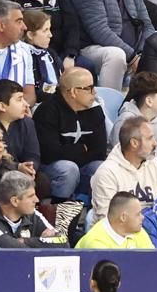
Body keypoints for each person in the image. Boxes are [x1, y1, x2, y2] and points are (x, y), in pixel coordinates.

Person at [33, 67, 107, 201]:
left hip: (83, 166)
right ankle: (59, 213)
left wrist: (71, 152)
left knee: (102, 168)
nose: (94, 92)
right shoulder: (46, 111)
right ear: (73, 92)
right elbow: (49, 154)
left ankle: (92, 211)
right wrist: (81, 149)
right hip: (51, 169)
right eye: (89, 88)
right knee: (68, 169)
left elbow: (99, 151)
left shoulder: (95, 110)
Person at [74, 192, 152, 251]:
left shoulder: (137, 230)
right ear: (123, 217)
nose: (142, 217)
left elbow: (153, 261)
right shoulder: (96, 243)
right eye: (138, 214)